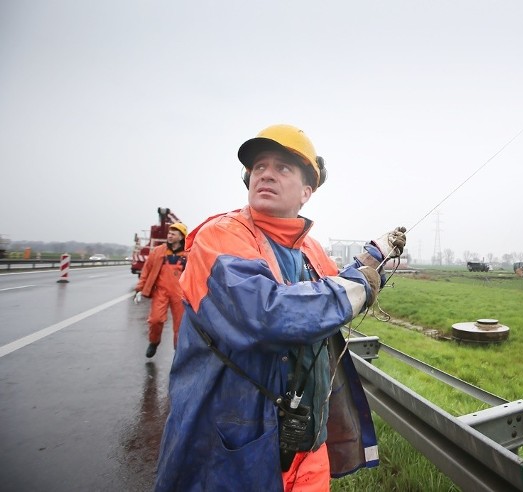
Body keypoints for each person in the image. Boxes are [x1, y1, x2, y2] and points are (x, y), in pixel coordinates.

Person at [154, 124, 406, 491]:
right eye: (259, 167)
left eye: (283, 167)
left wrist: (372, 260)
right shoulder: (221, 237)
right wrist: (358, 285)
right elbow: (266, 315)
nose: (266, 173)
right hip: (231, 450)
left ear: (307, 191)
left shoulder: (312, 250)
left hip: (305, 443)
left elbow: (328, 299)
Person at [134, 222, 189, 358]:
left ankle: (178, 351)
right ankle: (154, 342)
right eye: (169, 233)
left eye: (173, 234)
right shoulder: (159, 251)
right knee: (155, 320)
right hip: (161, 291)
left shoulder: (188, 254)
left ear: (181, 237)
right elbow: (146, 271)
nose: (169, 236)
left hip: (180, 294)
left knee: (180, 325)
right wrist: (139, 289)